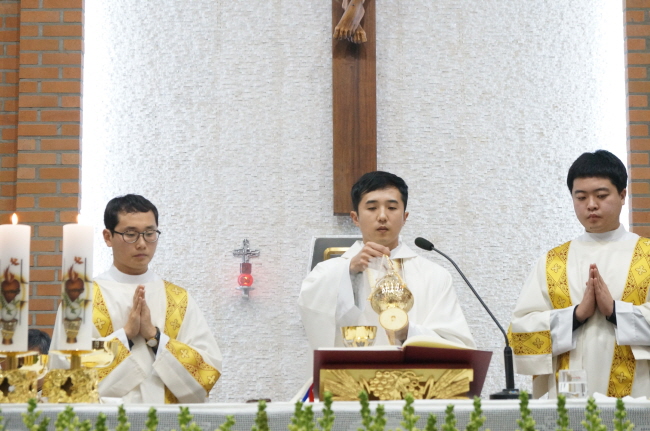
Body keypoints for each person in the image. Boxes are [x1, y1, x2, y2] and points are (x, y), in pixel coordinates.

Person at [51, 194, 222, 403]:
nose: (142, 244)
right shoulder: (80, 299)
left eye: (150, 234)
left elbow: (207, 371)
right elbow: (65, 376)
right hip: (105, 419)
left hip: (167, 418)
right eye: (130, 234)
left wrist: (154, 337)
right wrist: (126, 336)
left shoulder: (178, 299)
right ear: (107, 237)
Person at [510, 150, 650, 398]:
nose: (591, 205)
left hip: (637, 396)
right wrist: (575, 316)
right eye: (581, 197)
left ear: (622, 195)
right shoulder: (553, 262)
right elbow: (520, 336)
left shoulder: (647, 256)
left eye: (601, 195)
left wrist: (615, 312)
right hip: (569, 395)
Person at [299, 171, 475, 352]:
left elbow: (456, 343)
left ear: (405, 217)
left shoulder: (434, 275)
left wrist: (407, 332)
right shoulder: (329, 271)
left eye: (391, 208)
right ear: (355, 218)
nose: (382, 216)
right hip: (353, 370)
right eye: (372, 208)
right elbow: (313, 314)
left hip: (415, 371)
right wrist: (349, 272)